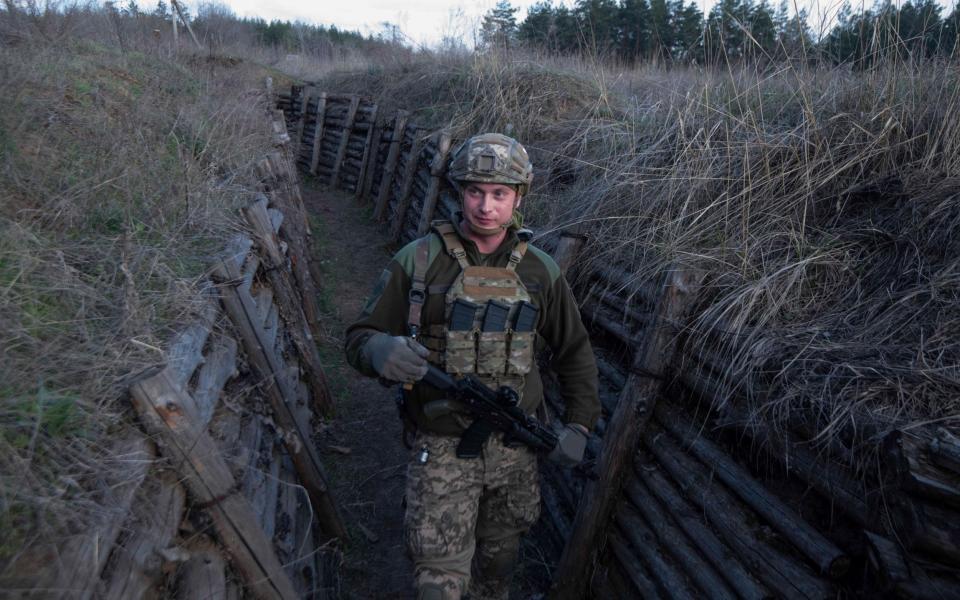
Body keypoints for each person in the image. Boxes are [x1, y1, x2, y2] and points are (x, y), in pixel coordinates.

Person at [344, 133, 600, 600]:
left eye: (499, 193)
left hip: (516, 450)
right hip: (441, 447)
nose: (486, 206)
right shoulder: (419, 261)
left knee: (498, 565)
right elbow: (359, 337)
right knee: (437, 580)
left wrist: (579, 426)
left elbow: (575, 352)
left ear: (518, 197)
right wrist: (380, 351)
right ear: (459, 192)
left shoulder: (541, 271)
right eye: (475, 192)